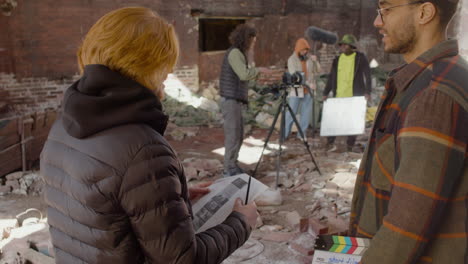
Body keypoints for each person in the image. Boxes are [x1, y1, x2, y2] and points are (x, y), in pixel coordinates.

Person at [40, 7, 258, 264]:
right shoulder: (143, 149)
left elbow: (101, 211)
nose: (169, 73)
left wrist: (170, 199)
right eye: (165, 63)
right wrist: (241, 222)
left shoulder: (63, 126)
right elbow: (183, 259)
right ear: (144, 65)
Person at [349, 0, 467, 263]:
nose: (377, 22)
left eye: (386, 9)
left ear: (424, 13)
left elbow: (407, 227)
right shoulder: (425, 80)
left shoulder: (433, 95)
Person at [219, 24, 269, 177]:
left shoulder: (239, 53)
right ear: (245, 39)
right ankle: (228, 169)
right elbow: (243, 74)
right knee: (233, 135)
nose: (253, 44)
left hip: (235, 99)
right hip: (230, 99)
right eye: (252, 41)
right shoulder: (234, 53)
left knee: (239, 134)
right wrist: (259, 71)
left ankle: (233, 165)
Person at [323, 34, 371, 152]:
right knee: (335, 120)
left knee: (352, 121)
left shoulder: (360, 58)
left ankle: (350, 145)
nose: (342, 47)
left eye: (345, 44)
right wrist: (325, 92)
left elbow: (368, 75)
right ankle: (330, 142)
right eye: (341, 45)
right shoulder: (337, 60)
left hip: (354, 95)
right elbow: (331, 77)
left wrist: (368, 91)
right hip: (339, 95)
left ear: (351, 46)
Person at [283, 38, 322, 140]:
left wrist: (315, 61)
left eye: (306, 50)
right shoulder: (291, 60)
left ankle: (301, 133)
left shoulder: (309, 58)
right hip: (297, 88)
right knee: (291, 112)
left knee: (306, 114)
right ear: (298, 49)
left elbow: (317, 70)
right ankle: (285, 133)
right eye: (303, 50)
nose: (305, 52)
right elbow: (295, 76)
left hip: (308, 90)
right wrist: (309, 84)